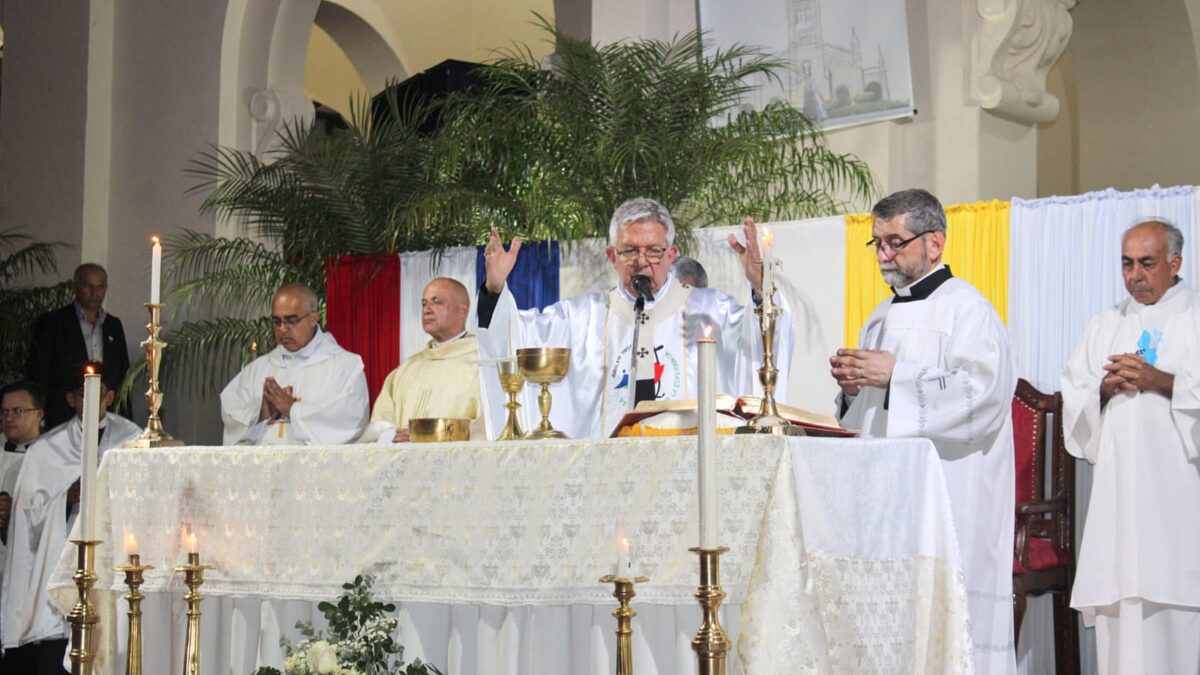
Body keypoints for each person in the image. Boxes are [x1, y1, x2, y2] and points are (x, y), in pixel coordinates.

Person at [829, 188, 1016, 674]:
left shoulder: (968, 310)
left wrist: (896, 377)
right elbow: (867, 418)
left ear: (935, 243)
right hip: (889, 501)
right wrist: (852, 389)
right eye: (878, 243)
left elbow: (984, 400)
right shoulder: (880, 315)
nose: (884, 255)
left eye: (895, 241)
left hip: (952, 493)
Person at [477, 197, 791, 439]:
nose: (642, 261)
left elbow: (763, 338)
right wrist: (494, 287)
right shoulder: (581, 317)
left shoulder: (711, 310)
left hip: (689, 468)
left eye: (654, 251)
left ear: (671, 255)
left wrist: (760, 286)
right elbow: (512, 338)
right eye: (629, 251)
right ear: (612, 256)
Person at [1060, 219, 1200, 674]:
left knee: (1175, 624)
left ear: (1175, 262)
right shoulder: (1106, 324)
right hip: (1118, 507)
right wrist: (1102, 390)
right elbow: (1074, 395)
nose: (1134, 275)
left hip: (1177, 504)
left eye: (1146, 263)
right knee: (1120, 623)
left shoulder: (1195, 317)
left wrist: (1161, 382)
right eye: (1126, 263)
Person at [0, 364, 139, 673]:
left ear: (111, 397)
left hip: (112, 563)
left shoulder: (133, 440)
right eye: (81, 393)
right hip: (62, 566)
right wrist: (66, 499)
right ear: (71, 399)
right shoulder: (47, 449)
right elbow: (27, 518)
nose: (90, 400)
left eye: (98, 393)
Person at [220, 283, 369, 446]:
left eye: (291, 320)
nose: (283, 329)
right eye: (277, 322)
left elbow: (350, 420)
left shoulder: (345, 367)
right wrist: (259, 414)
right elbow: (231, 411)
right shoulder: (258, 369)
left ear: (313, 318)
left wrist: (292, 409)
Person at [371, 278, 482, 442]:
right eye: (424, 304)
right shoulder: (406, 369)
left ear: (462, 310)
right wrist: (390, 436)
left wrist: (429, 436)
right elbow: (380, 423)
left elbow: (487, 427)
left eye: (436, 302)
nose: (426, 310)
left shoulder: (480, 364)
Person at [25, 263, 130, 428]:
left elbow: (123, 375)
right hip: (63, 414)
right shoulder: (53, 322)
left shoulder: (113, 325)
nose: (95, 293)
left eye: (100, 287)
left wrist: (125, 416)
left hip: (107, 416)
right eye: (88, 286)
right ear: (76, 287)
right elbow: (39, 373)